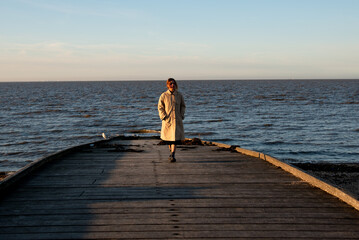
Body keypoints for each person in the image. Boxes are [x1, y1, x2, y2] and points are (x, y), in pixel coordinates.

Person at [158, 78, 186, 162]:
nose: (172, 85)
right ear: (167, 85)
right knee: (169, 139)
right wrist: (163, 116)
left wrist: (181, 115)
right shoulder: (164, 95)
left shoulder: (179, 95)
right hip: (167, 120)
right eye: (170, 84)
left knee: (174, 138)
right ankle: (171, 152)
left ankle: (173, 154)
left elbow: (183, 106)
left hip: (177, 119)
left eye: (173, 83)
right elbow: (160, 107)